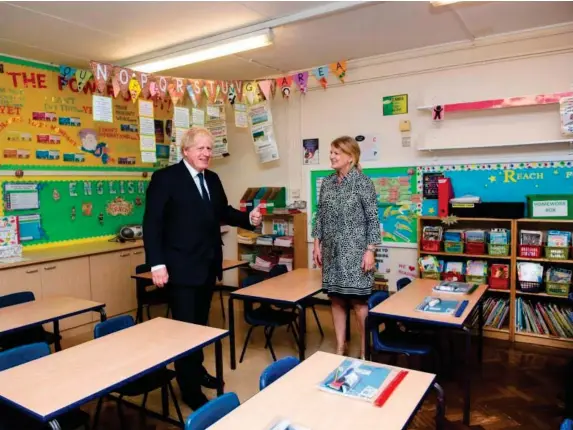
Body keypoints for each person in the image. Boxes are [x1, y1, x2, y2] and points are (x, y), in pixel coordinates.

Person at [143, 127, 262, 409]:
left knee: (200, 327)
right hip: (180, 268)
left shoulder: (213, 178)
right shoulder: (165, 178)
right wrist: (157, 263)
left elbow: (223, 212)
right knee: (185, 332)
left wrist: (249, 219)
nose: (207, 153)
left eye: (209, 149)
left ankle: (196, 371)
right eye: (201, 148)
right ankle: (188, 388)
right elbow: (152, 224)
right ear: (186, 150)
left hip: (208, 266)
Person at [312, 136, 380, 359]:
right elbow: (319, 214)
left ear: (351, 157)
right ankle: (341, 346)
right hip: (332, 253)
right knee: (337, 299)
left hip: (356, 254)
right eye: (331, 152)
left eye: (336, 153)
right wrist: (316, 244)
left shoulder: (363, 182)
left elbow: (372, 218)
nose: (331, 156)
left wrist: (370, 250)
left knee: (359, 303)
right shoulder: (327, 183)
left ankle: (364, 350)